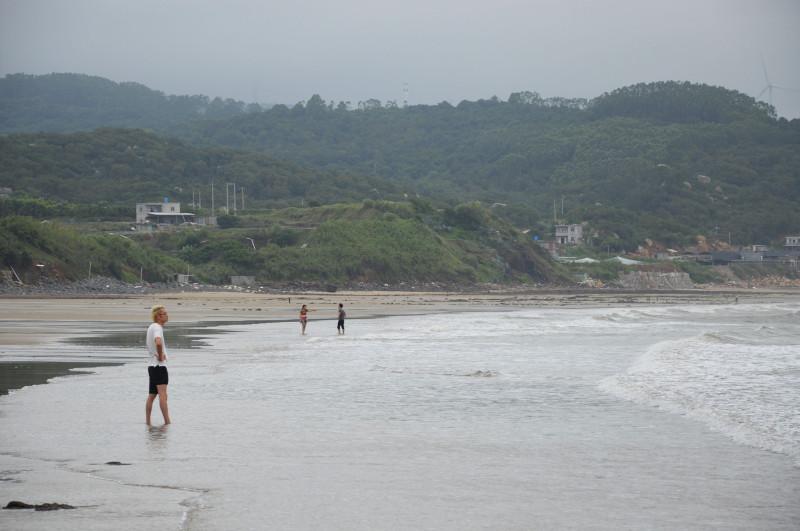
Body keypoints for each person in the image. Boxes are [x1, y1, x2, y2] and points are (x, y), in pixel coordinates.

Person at [145, 305, 171, 425]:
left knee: (151, 395)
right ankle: (167, 422)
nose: (167, 315)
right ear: (158, 316)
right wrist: (160, 356)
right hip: (159, 366)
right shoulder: (157, 327)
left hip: (151, 366)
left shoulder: (151, 327)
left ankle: (148, 422)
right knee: (163, 395)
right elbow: (159, 342)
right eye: (164, 313)